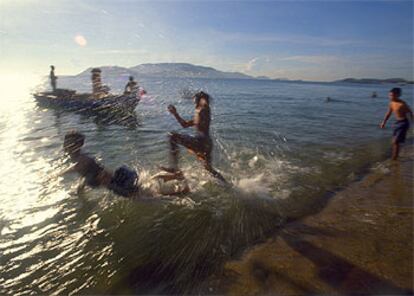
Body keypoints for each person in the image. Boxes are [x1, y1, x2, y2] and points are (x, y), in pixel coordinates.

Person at [63, 130, 188, 197]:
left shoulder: (81, 161)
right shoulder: (80, 161)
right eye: (65, 142)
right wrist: (80, 192)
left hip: (120, 182)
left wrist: (121, 190)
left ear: (76, 145)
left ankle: (182, 192)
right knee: (146, 185)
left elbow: (100, 174)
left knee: (151, 197)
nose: (64, 145)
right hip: (119, 179)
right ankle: (176, 176)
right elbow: (86, 176)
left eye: (68, 142)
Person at [163, 91, 227, 183]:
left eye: (195, 99)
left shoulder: (204, 109)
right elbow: (184, 125)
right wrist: (175, 113)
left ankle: (174, 168)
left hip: (201, 142)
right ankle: (228, 185)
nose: (193, 101)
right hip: (207, 144)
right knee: (209, 169)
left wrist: (202, 97)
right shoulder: (199, 114)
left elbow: (204, 102)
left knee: (172, 136)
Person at [380, 88, 413, 160]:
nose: (390, 97)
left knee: (396, 141)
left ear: (398, 95)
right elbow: (388, 113)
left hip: (404, 123)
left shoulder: (402, 104)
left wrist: (412, 123)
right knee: (394, 141)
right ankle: (395, 156)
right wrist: (384, 122)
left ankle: (394, 158)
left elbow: (410, 113)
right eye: (390, 95)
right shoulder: (391, 103)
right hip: (397, 123)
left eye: (392, 95)